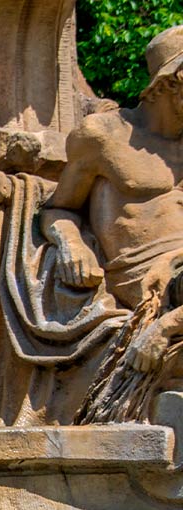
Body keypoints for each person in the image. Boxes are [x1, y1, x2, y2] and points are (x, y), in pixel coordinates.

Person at [39, 25, 183, 374]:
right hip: (150, 277)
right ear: (171, 83)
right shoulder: (103, 135)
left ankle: (167, 327)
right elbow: (58, 209)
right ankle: (166, 325)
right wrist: (72, 244)